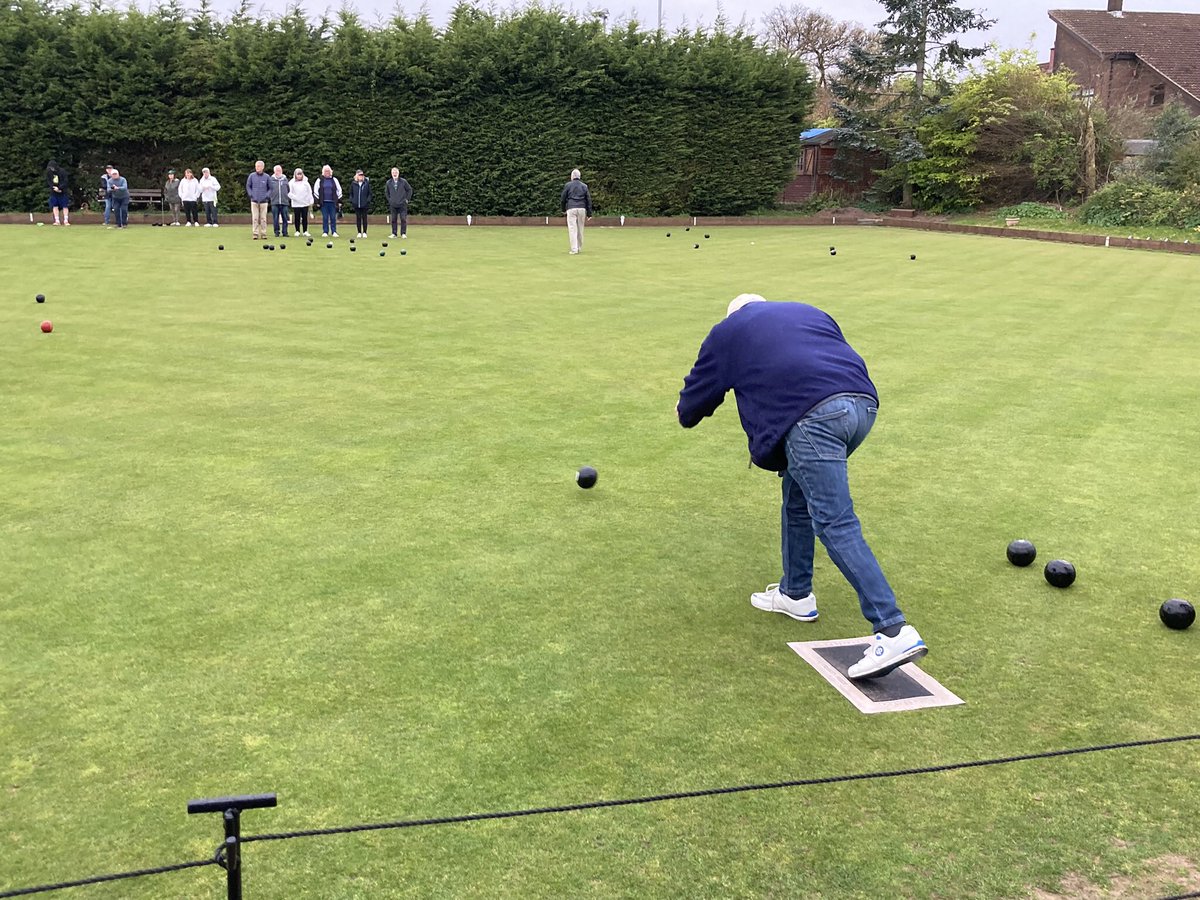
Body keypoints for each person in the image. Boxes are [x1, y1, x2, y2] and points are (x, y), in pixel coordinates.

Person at [675, 294, 927, 680]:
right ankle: (796, 594)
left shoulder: (728, 331)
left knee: (834, 521)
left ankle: (892, 629)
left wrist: (687, 410)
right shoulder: (808, 312)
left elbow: (693, 405)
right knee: (797, 500)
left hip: (813, 418)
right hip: (862, 408)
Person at [560, 168, 592, 255]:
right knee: (580, 228)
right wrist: (589, 213)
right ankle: (579, 247)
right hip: (582, 208)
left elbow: (563, 199)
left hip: (571, 208)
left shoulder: (568, 185)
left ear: (572, 176)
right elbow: (588, 200)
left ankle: (574, 249)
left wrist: (563, 209)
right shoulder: (584, 186)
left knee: (572, 228)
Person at [312, 165, 341, 237]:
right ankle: (325, 231)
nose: (327, 172)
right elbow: (315, 190)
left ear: (331, 172)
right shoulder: (319, 180)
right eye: (325, 171)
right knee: (325, 217)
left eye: (328, 171)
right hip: (323, 202)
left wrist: (339, 201)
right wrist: (317, 201)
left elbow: (339, 190)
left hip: (333, 202)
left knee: (333, 217)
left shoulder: (334, 180)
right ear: (323, 172)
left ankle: (334, 231)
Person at [245, 160, 270, 239]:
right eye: (256, 166)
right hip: (254, 201)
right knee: (255, 218)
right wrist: (251, 194)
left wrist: (266, 196)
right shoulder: (251, 176)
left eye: (258, 166)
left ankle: (263, 233)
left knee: (263, 218)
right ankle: (255, 234)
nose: (257, 168)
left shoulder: (267, 177)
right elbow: (248, 186)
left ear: (262, 167)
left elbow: (271, 188)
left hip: (264, 202)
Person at [385, 167, 412, 239]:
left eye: (396, 172)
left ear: (398, 173)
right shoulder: (388, 182)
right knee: (393, 219)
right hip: (393, 204)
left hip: (402, 204)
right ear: (391, 174)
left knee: (403, 219)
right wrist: (390, 200)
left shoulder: (403, 181)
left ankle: (403, 233)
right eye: (393, 173)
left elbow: (409, 190)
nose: (394, 174)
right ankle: (394, 233)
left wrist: (407, 199)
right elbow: (386, 193)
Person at [288, 168, 313, 237]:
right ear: (295, 175)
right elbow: (289, 193)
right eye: (298, 174)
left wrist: (311, 200)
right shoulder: (291, 183)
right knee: (297, 217)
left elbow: (309, 192)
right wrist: (295, 198)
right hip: (296, 204)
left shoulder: (306, 183)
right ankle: (297, 231)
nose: (299, 176)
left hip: (305, 203)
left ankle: (305, 231)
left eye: (300, 174)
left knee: (305, 217)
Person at [46, 160, 70, 226]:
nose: (51, 169)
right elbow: (49, 181)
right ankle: (57, 220)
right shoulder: (49, 172)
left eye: (52, 167)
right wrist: (53, 188)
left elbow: (65, 181)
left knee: (65, 206)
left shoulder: (62, 171)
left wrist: (59, 188)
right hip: (54, 192)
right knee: (55, 206)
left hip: (63, 191)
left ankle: (66, 220)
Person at [268, 165, 290, 237]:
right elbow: (268, 190)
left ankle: (285, 232)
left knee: (285, 218)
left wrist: (286, 198)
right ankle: (276, 232)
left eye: (280, 170)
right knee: (275, 218)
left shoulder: (285, 179)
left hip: (284, 202)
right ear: (274, 171)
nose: (278, 171)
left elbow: (288, 189)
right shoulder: (271, 180)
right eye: (277, 170)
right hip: (275, 202)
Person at [349, 169, 371, 237]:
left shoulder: (366, 184)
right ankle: (359, 232)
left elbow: (369, 193)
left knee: (364, 218)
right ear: (356, 176)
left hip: (364, 204)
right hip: (356, 204)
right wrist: (353, 201)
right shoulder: (353, 184)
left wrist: (367, 201)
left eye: (362, 175)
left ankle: (364, 232)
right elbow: (351, 193)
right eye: (359, 175)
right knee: (358, 218)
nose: (361, 176)